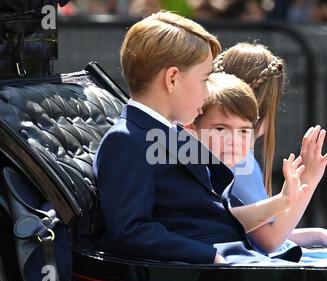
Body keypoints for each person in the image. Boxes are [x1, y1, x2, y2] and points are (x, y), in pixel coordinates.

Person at [92, 11, 309, 265]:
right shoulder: (126, 141)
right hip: (212, 275)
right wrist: (211, 257)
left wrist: (283, 201)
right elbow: (130, 231)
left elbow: (219, 216)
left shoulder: (169, 134)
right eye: (204, 80)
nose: (207, 94)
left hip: (236, 261)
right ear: (172, 78)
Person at [212, 42, 327, 253]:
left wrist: (317, 234)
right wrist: (309, 178)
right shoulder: (237, 157)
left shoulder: (220, 150)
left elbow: (253, 230)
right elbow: (269, 241)